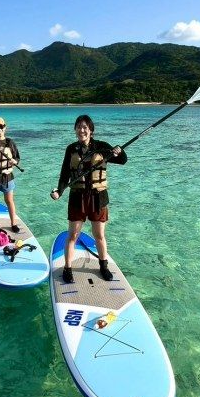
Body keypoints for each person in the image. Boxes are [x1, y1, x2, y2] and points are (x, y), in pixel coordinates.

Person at [50, 114, 126, 284]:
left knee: (99, 235)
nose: (81, 130)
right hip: (77, 197)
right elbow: (65, 173)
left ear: (91, 130)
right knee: (73, 235)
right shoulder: (71, 149)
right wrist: (59, 191)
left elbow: (122, 160)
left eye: (85, 127)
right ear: (75, 130)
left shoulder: (102, 147)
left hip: (98, 197)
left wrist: (119, 151)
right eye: (79, 127)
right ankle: (67, 268)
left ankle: (103, 266)